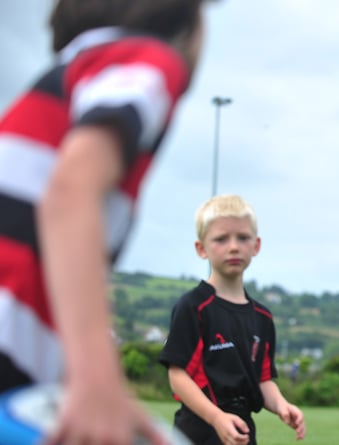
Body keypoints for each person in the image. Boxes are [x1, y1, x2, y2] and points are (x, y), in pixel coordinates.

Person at [0, 0, 219, 443]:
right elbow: (71, 190)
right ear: (188, 21)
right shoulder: (147, 58)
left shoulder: (80, 65)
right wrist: (97, 378)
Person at [159, 194, 306, 445]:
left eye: (243, 237)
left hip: (242, 432)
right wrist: (216, 417)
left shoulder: (262, 318)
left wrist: (281, 404)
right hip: (196, 431)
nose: (234, 246)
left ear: (256, 245)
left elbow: (262, 379)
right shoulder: (193, 307)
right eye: (221, 239)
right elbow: (178, 377)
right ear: (201, 248)